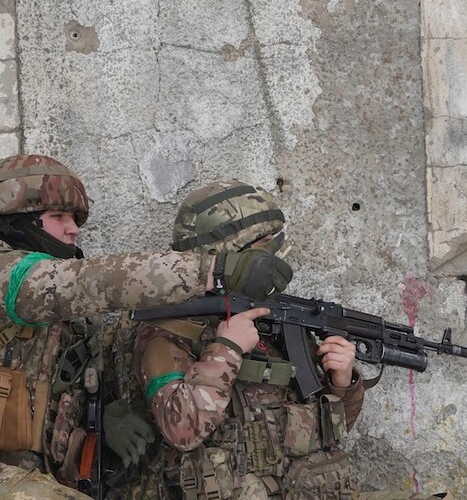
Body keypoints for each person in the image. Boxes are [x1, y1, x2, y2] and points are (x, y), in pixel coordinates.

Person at [0, 154, 292, 499]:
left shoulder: (56, 313)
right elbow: (89, 283)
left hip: (2, 476)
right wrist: (217, 270)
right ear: (21, 219)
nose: (73, 229)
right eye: (59, 216)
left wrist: (105, 420)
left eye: (76, 219)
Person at [118, 180, 446, 500]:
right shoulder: (169, 333)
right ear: (223, 257)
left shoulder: (274, 321)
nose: (277, 252)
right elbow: (182, 431)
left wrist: (341, 382)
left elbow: (329, 433)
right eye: (264, 244)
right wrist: (227, 349)